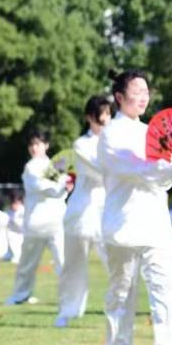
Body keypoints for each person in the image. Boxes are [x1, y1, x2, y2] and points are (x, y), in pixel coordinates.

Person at [98, 70, 172, 345]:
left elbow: (161, 180)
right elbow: (134, 167)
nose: (143, 96)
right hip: (123, 221)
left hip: (153, 219)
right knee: (121, 288)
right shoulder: (111, 134)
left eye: (146, 91)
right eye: (136, 91)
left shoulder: (151, 131)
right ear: (119, 97)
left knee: (168, 283)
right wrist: (169, 167)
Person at [55, 95, 112, 328]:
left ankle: (120, 312)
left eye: (110, 113)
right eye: (102, 114)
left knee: (116, 264)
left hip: (109, 210)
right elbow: (100, 172)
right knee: (74, 265)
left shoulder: (117, 141)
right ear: (90, 117)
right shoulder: (81, 145)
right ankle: (68, 310)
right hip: (82, 213)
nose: (107, 119)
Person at [6, 130, 68, 305]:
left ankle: (68, 297)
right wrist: (61, 186)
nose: (34, 148)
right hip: (35, 223)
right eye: (32, 145)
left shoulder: (57, 165)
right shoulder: (30, 167)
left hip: (57, 222)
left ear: (46, 146)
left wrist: (64, 184)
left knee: (63, 262)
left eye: (38, 144)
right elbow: (41, 186)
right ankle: (20, 295)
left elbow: (62, 187)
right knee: (27, 264)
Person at [4, 194, 25, 264]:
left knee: (12, 235)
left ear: (20, 202)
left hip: (23, 235)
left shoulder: (24, 210)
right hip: (12, 234)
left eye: (16, 203)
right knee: (8, 233)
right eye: (12, 203)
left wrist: (14, 220)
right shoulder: (8, 211)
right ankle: (10, 253)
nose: (14, 205)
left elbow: (23, 226)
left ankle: (18, 256)